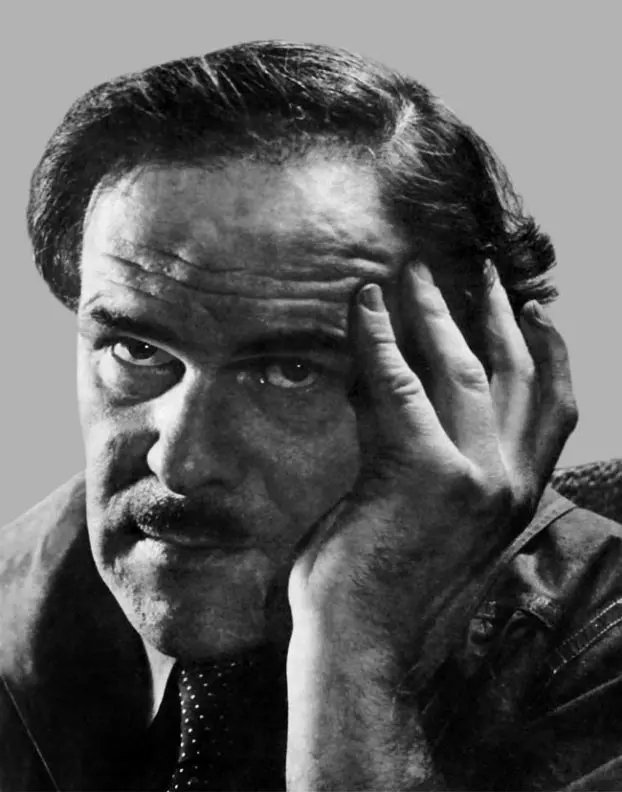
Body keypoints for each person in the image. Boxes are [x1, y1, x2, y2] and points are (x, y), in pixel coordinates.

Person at [1, 39, 621, 791]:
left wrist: (353, 645)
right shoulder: (18, 601)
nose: (181, 462)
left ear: (473, 381)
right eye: (137, 350)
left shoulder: (598, 645)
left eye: (291, 372)